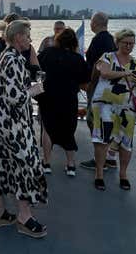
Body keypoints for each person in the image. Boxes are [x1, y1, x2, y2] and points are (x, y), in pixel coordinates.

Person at [0, 20, 48, 239]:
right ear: (19, 36)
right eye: (28, 35)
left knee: (0, 163)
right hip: (13, 123)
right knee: (25, 164)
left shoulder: (7, 56)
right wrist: (34, 90)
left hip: (0, 120)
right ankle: (24, 216)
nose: (30, 39)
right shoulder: (13, 60)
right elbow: (15, 97)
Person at [90, 29, 136, 191]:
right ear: (118, 43)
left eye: (131, 43)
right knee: (101, 139)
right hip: (104, 104)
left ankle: (123, 174)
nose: (129, 46)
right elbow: (106, 73)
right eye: (125, 43)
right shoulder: (107, 57)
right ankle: (99, 174)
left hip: (127, 107)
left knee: (126, 142)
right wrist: (126, 72)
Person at [0, 13, 40, 138]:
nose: (29, 38)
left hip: (19, 100)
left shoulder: (28, 48)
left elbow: (37, 70)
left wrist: (25, 73)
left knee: (12, 135)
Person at [37, 28, 89, 176]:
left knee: (47, 128)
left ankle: (46, 163)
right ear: (74, 42)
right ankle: (70, 165)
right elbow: (84, 82)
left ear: (58, 40)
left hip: (47, 97)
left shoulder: (46, 54)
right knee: (69, 130)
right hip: (68, 98)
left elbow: (36, 72)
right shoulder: (77, 58)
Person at [79, 12, 119, 171]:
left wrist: (88, 84)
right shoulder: (111, 40)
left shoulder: (98, 40)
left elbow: (94, 64)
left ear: (95, 23)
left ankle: (100, 159)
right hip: (110, 88)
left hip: (97, 87)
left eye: (91, 22)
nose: (90, 24)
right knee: (107, 121)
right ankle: (110, 156)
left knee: (94, 122)